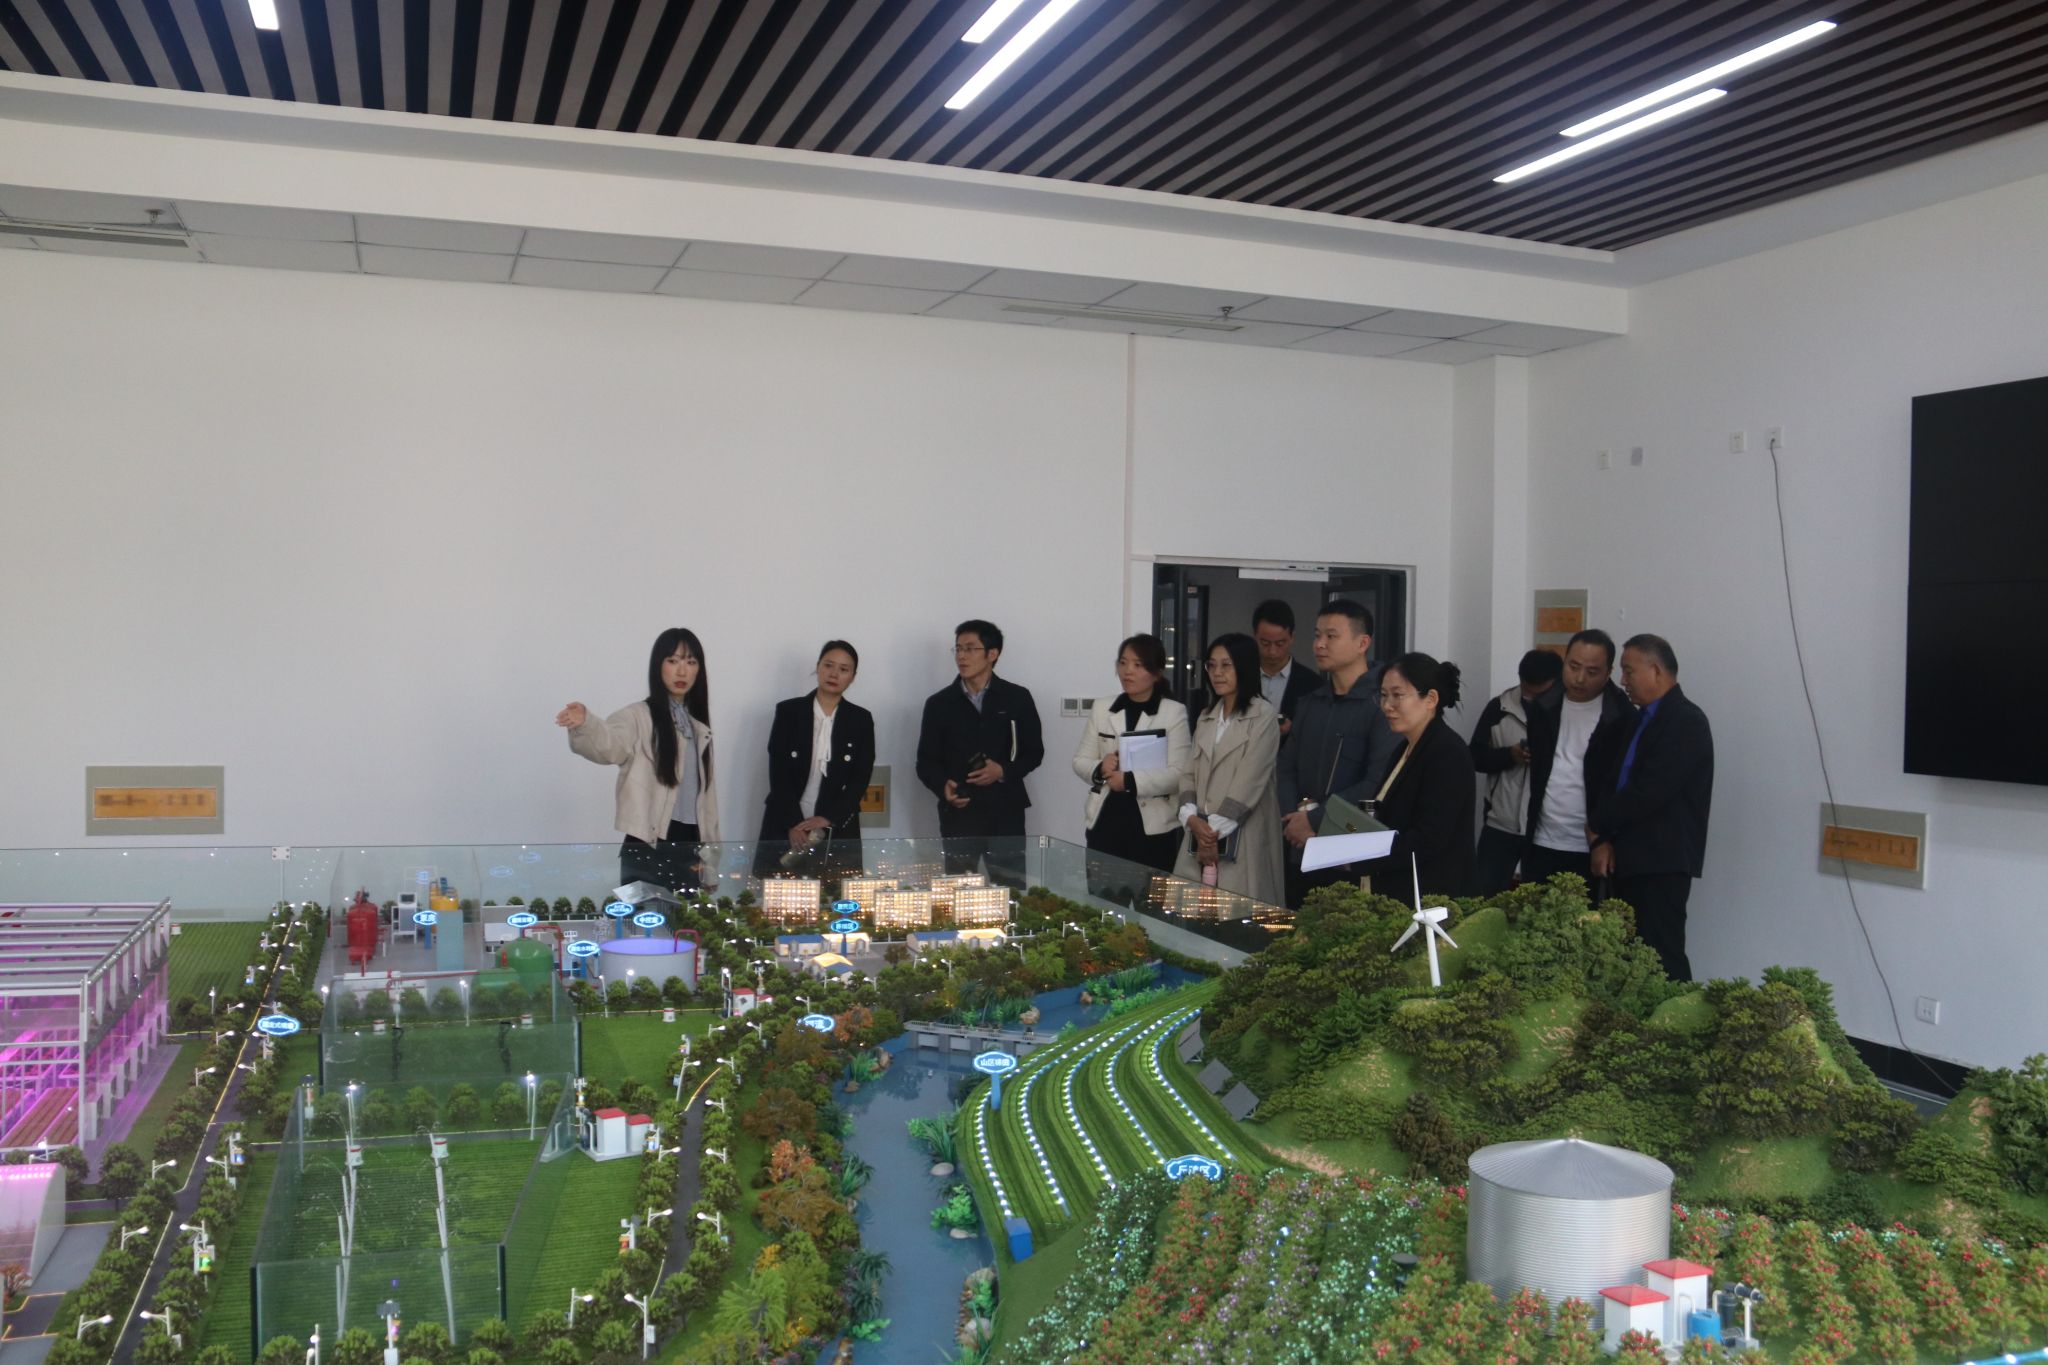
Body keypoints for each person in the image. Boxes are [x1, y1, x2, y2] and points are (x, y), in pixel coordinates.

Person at [1589, 634, 1713, 983]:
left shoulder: (1686, 721)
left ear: (1656, 670)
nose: (1622, 681)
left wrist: (1597, 824)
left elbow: (1650, 791)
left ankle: (1677, 1016)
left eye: (1628, 671)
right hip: (1627, 856)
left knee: (1661, 954)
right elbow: (1613, 779)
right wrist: (1602, 838)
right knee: (1627, 955)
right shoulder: (1638, 718)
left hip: (1662, 860)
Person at [557, 627, 720, 892]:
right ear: (658, 666)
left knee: (687, 920)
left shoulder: (699, 729)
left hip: (691, 849)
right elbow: (609, 745)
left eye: (691, 662)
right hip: (647, 845)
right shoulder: (637, 717)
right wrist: (586, 723)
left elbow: (708, 806)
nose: (682, 671)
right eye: (673, 661)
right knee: (643, 919)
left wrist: (711, 866)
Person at [1275, 599, 1401, 906]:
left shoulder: (1381, 705)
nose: (1320, 644)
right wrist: (1296, 819)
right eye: (1317, 635)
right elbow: (1286, 767)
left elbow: (1377, 780)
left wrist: (1315, 819)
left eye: (1331, 636)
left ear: (1362, 643)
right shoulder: (1311, 703)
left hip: (1351, 848)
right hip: (1301, 844)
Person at [915, 619, 1045, 880]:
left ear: (992, 654)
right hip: (959, 812)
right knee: (959, 889)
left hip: (1006, 810)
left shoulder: (1017, 698)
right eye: (958, 649)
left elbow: (1034, 752)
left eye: (970, 649)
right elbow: (925, 762)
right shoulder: (939, 704)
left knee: (1010, 887)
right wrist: (943, 787)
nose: (961, 656)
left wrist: (1002, 771)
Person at [1072, 634, 1192, 903]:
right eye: (1123, 663)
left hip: (1153, 830)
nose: (1128, 671)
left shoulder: (1173, 712)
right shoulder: (1103, 708)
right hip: (1106, 823)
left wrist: (1130, 781)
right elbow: (1080, 760)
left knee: (1153, 911)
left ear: (1156, 672)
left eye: (1138, 665)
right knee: (1104, 909)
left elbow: (1179, 773)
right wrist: (1100, 766)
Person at [1174, 633, 1284, 905]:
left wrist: (1210, 835)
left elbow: (1250, 780)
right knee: (1192, 913)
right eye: (1211, 665)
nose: (1217, 673)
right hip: (1199, 830)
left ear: (1244, 666)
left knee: (1240, 913)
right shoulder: (1206, 716)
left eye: (1226, 665)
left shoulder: (1263, 715)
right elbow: (1188, 774)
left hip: (1241, 834)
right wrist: (1191, 819)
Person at [1358, 653, 1476, 901]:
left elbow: (1430, 837)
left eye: (1397, 695)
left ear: (1431, 699)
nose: (1387, 705)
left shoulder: (1447, 751)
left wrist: (1364, 855)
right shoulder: (1405, 746)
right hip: (1399, 887)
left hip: (1429, 894)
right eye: (1383, 695)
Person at [1523, 628, 1636, 886]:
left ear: (1608, 673)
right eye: (1573, 667)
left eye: (1592, 672)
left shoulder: (1622, 716)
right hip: (1543, 837)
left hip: (1591, 844)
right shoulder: (1543, 706)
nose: (1580, 678)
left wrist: (1604, 837)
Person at [755, 640, 876, 878]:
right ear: (818, 667)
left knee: (835, 893)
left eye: (843, 669)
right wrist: (794, 823)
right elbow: (778, 773)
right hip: (785, 822)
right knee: (778, 894)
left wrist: (828, 819)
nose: (834, 674)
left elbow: (860, 779)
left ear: (853, 677)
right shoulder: (789, 712)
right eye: (828, 665)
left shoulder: (860, 719)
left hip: (836, 829)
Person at [1468, 649, 1563, 893]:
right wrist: (1510, 755)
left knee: (1540, 900)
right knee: (1483, 896)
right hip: (1502, 822)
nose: (1529, 697)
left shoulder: (1568, 713)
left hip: (1547, 827)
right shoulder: (1500, 708)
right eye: (1525, 689)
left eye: (1538, 693)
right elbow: (1474, 757)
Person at [1252, 599, 1322, 737]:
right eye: (1265, 643)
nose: (1272, 651)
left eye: (1280, 643)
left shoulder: (1313, 684)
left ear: (1292, 637)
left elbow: (1318, 732)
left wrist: (1293, 729)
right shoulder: (1240, 677)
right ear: (1255, 637)